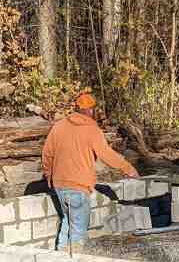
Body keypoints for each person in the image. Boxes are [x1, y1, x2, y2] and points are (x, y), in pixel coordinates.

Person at [42, 93, 139, 252]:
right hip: (78, 186)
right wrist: (128, 169)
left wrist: (48, 174)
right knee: (78, 231)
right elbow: (106, 154)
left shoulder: (59, 126)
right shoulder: (91, 130)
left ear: (77, 108)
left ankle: (59, 258)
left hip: (59, 184)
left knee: (67, 220)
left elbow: (47, 153)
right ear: (91, 110)